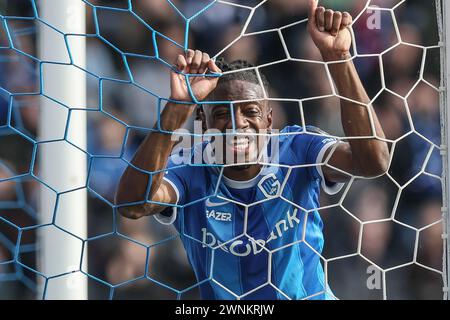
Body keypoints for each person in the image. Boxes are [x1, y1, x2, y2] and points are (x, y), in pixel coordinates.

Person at [116, 0, 389, 300]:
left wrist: (338, 58)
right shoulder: (189, 169)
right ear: (203, 124)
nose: (237, 124)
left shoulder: (298, 149)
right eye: (221, 114)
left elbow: (374, 162)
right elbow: (132, 204)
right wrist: (175, 109)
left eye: (250, 112)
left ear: (269, 120)